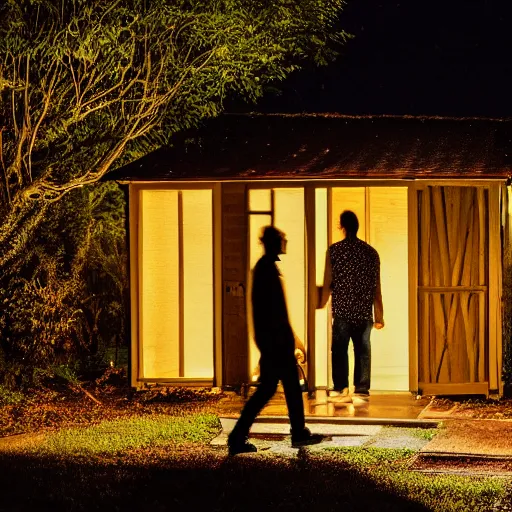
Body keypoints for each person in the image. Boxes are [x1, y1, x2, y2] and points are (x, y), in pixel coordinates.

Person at [228, 226, 323, 456]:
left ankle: (293, 431)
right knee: (274, 388)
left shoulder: (266, 269)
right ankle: (241, 436)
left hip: (274, 341)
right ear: (274, 243)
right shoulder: (266, 271)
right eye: (282, 238)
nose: (285, 240)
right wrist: (285, 340)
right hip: (275, 342)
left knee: (281, 387)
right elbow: (273, 312)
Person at [317, 210, 384, 404]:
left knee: (339, 350)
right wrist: (379, 316)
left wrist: (320, 303)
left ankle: (341, 388)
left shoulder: (335, 250)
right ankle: (362, 388)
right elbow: (376, 287)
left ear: (342, 226)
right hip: (363, 312)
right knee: (363, 350)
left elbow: (328, 281)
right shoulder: (371, 252)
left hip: (343, 310)